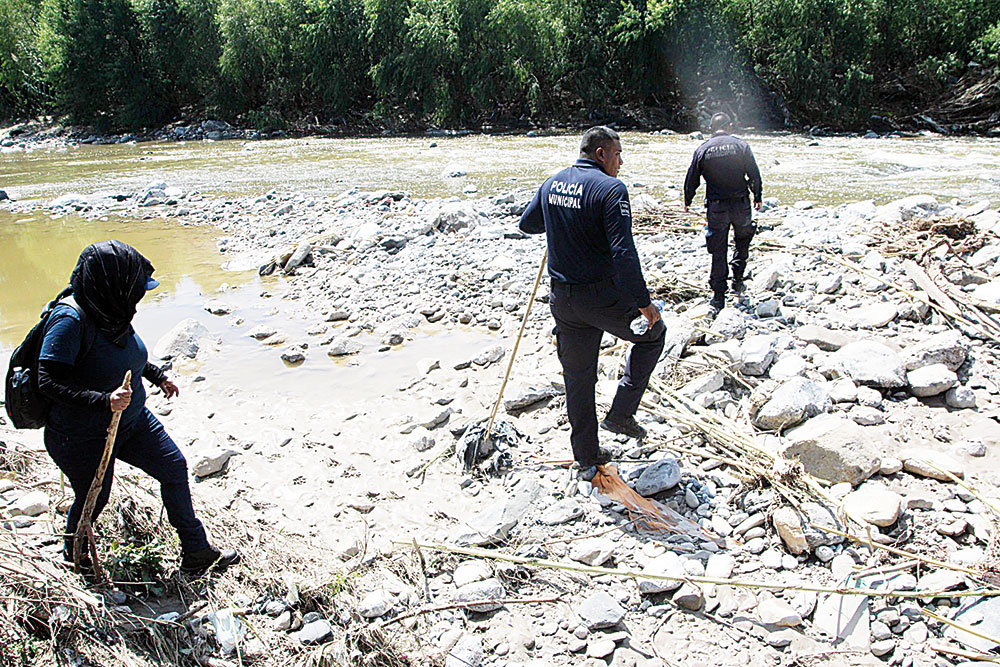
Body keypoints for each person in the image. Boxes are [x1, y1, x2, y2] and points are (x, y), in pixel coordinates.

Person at [37, 240, 239, 574]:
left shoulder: (110, 308)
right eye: (133, 290)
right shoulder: (70, 319)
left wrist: (157, 375)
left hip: (130, 423)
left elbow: (125, 355)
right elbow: (49, 380)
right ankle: (75, 556)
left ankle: (197, 552)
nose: (138, 298)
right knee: (94, 497)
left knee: (173, 467)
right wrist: (104, 401)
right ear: (112, 284)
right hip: (82, 435)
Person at [519, 126, 666, 480]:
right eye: (617, 154)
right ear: (600, 153)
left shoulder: (553, 183)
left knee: (578, 377)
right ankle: (621, 413)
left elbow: (528, 224)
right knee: (653, 335)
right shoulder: (611, 188)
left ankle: (586, 455)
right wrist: (644, 304)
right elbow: (623, 251)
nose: (620, 161)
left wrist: (563, 223)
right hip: (601, 296)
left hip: (563, 300)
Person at [683, 112, 763, 312]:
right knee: (742, 240)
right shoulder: (741, 146)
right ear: (729, 127)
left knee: (718, 249)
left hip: (717, 206)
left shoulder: (703, 149)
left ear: (711, 129)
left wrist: (688, 199)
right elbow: (754, 174)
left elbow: (691, 178)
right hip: (741, 204)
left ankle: (718, 296)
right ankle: (737, 281)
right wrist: (758, 197)